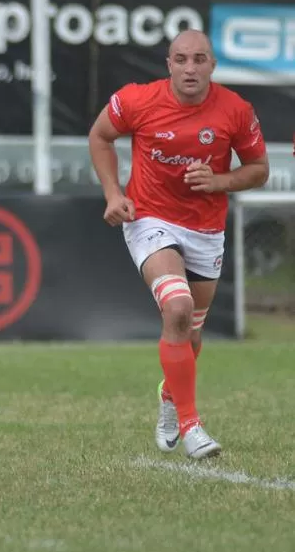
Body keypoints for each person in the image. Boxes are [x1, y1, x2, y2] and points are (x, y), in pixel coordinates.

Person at [88, 29, 268, 460]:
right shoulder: (137, 100)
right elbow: (100, 137)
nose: (191, 68)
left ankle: (170, 399)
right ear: (168, 64)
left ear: (212, 66)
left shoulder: (236, 110)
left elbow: (259, 169)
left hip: (206, 229)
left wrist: (220, 180)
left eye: (200, 59)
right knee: (177, 308)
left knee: (192, 335)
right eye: (182, 59)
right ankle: (191, 426)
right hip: (150, 218)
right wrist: (114, 193)